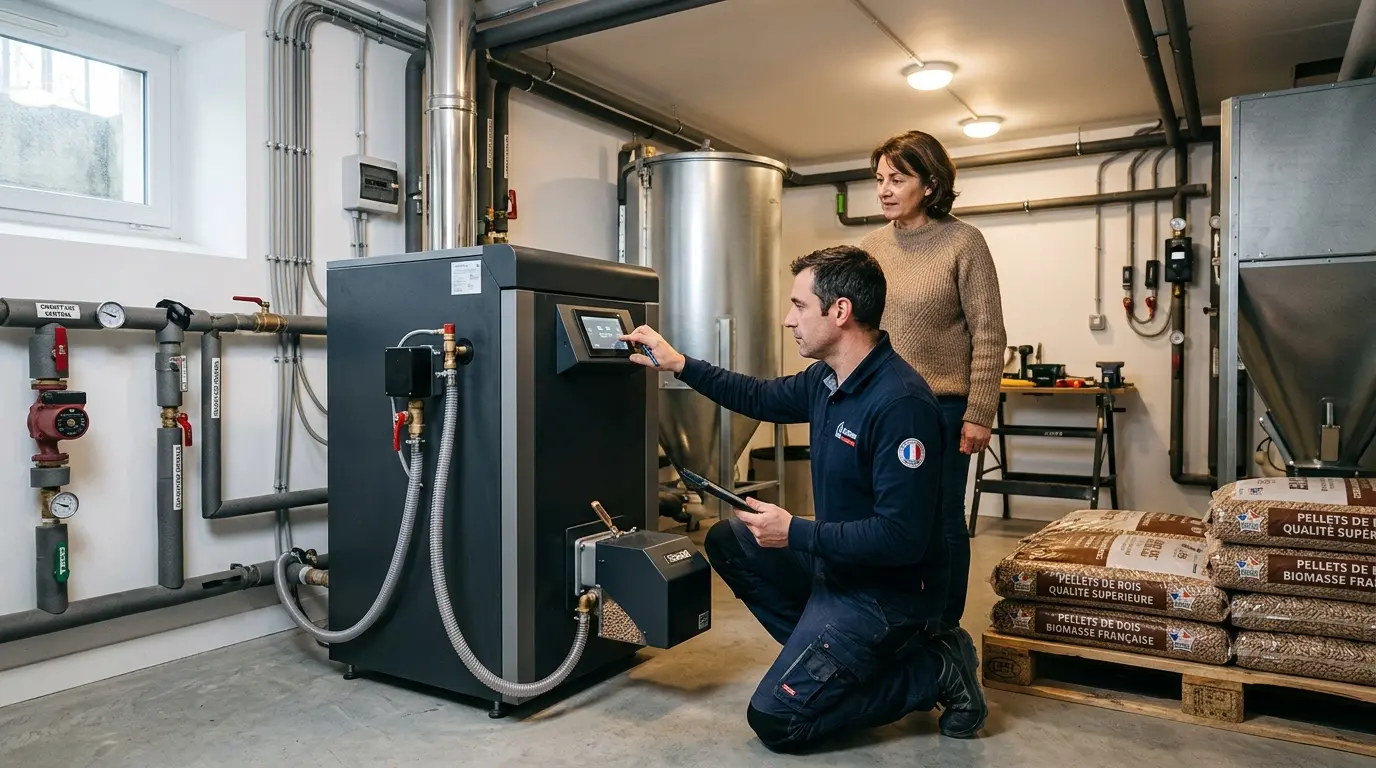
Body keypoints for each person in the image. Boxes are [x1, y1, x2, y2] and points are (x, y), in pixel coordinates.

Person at [621, 245, 987, 753]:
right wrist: (679, 364)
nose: (787, 320)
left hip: (886, 593)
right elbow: (758, 396)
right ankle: (835, 656)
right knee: (730, 540)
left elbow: (901, 538)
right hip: (838, 570)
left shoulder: (900, 404)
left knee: (778, 721)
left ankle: (933, 669)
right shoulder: (828, 379)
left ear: (840, 312)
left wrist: (794, 531)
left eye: (799, 306)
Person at [861, 130, 1008, 630]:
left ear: (929, 184)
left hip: (941, 410)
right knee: (884, 515)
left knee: (941, 519)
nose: (884, 190)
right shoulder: (871, 247)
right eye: (879, 179)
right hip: (882, 407)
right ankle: (891, 617)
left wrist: (979, 413)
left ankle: (943, 630)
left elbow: (989, 333)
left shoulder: (963, 242)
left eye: (897, 179)